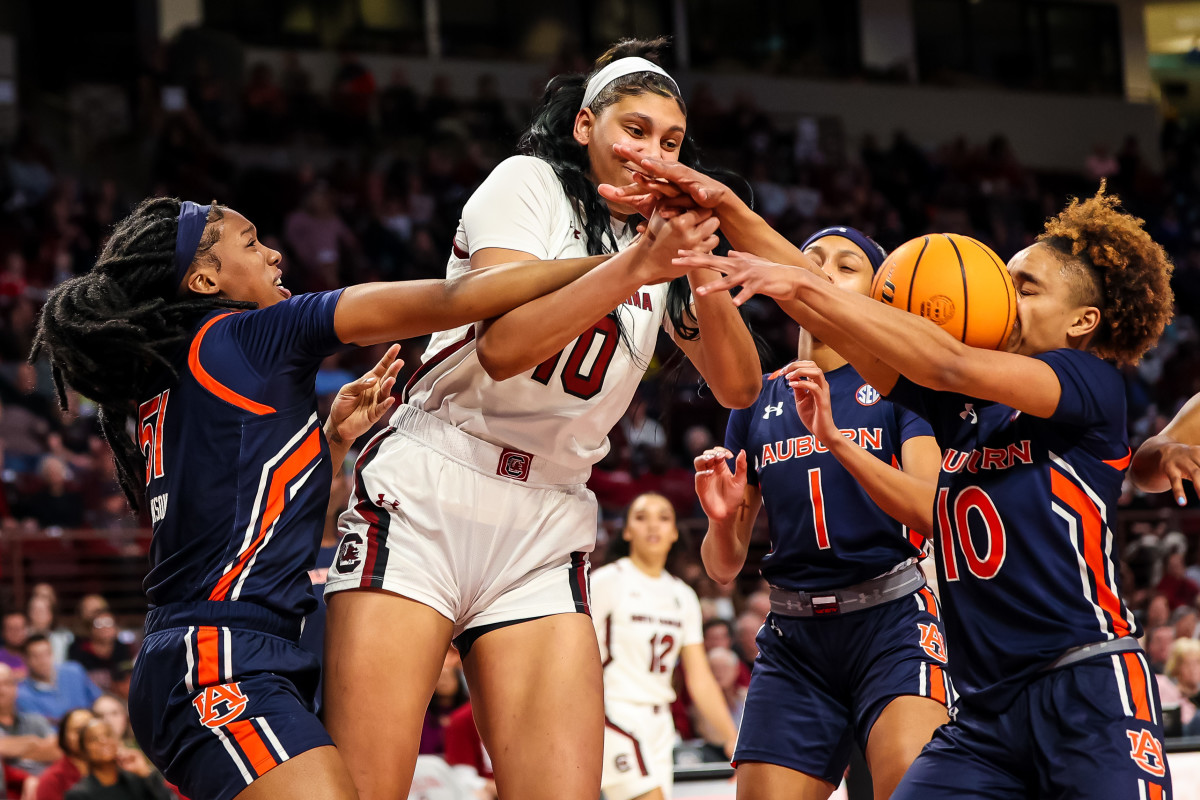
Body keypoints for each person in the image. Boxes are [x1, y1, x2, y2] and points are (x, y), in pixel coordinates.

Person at [30, 196, 631, 800]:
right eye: (250, 242)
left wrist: (331, 446)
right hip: (217, 658)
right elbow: (456, 299)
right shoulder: (247, 336)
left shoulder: (181, 368)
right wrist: (624, 263)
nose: (274, 253)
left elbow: (247, 510)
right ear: (205, 279)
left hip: (226, 651)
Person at [322, 37, 760, 800]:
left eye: (671, 141)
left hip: (550, 509)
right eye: (633, 129)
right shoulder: (527, 184)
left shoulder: (655, 239)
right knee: (365, 788)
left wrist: (698, 264)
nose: (651, 152)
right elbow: (503, 348)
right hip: (435, 478)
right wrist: (639, 266)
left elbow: (739, 387)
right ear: (584, 125)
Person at [666, 177, 1175, 798]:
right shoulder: (959, 410)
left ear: (1082, 320)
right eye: (1003, 279)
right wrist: (728, 209)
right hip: (986, 713)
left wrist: (800, 284)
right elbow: (835, 316)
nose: (1005, 297)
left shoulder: (1087, 381)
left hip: (1084, 686)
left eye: (1026, 286)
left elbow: (946, 361)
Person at [690, 226, 950, 799]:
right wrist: (719, 520)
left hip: (891, 621)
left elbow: (933, 511)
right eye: (811, 259)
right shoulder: (756, 399)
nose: (822, 270)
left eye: (847, 264)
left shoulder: (898, 384)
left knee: (914, 790)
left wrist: (835, 439)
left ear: (874, 294)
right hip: (795, 637)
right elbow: (723, 568)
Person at [591, 492, 738, 800]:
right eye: (641, 518)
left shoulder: (682, 595)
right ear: (627, 531)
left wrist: (731, 736)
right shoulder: (606, 581)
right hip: (613, 713)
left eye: (664, 517)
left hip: (660, 724)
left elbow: (699, 677)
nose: (653, 526)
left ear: (674, 532)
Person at [63, 719, 171, 800]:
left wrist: (145, 772)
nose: (103, 741)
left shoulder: (136, 779)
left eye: (108, 735)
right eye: (93, 739)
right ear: (84, 751)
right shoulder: (78, 794)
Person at [16, 637, 100, 727]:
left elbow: (98, 700)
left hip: (91, 729)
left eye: (47, 654)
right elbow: (41, 728)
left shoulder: (74, 671)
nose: (43, 661)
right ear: (25, 659)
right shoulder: (22, 695)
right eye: (36, 656)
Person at [0, 663, 58, 777]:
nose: (1, 690)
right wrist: (34, 743)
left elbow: (57, 750)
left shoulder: (36, 721)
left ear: (15, 687)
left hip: (42, 785)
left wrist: (11, 752)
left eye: (6, 683)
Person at [34, 708, 93, 800]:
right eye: (78, 730)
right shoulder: (53, 780)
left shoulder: (114, 768)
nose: (85, 735)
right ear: (64, 737)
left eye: (89, 728)